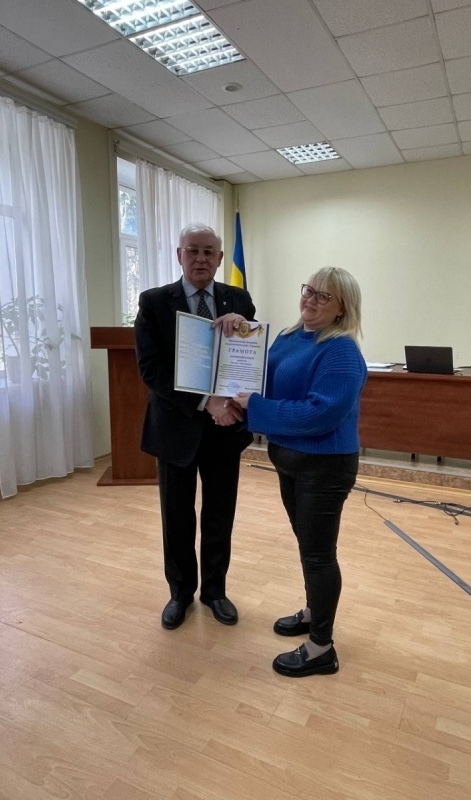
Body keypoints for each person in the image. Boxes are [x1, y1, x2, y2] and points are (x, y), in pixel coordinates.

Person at [233, 267, 367, 677]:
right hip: (290, 461)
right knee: (308, 544)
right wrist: (235, 338)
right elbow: (260, 382)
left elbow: (320, 414)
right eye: (309, 290)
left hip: (324, 467)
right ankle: (314, 612)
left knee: (319, 554)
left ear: (342, 308)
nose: (311, 299)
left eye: (324, 296)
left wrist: (256, 408)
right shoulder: (289, 337)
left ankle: (321, 647)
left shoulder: (341, 351)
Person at [135, 223, 256, 630]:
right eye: (193, 250)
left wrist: (242, 325)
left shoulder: (238, 299)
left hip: (225, 428)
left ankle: (215, 591)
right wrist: (208, 402)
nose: (201, 258)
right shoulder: (154, 302)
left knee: (220, 515)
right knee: (177, 517)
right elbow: (151, 369)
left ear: (220, 258)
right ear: (179, 255)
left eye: (208, 251)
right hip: (176, 429)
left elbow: (247, 357)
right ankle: (180, 594)